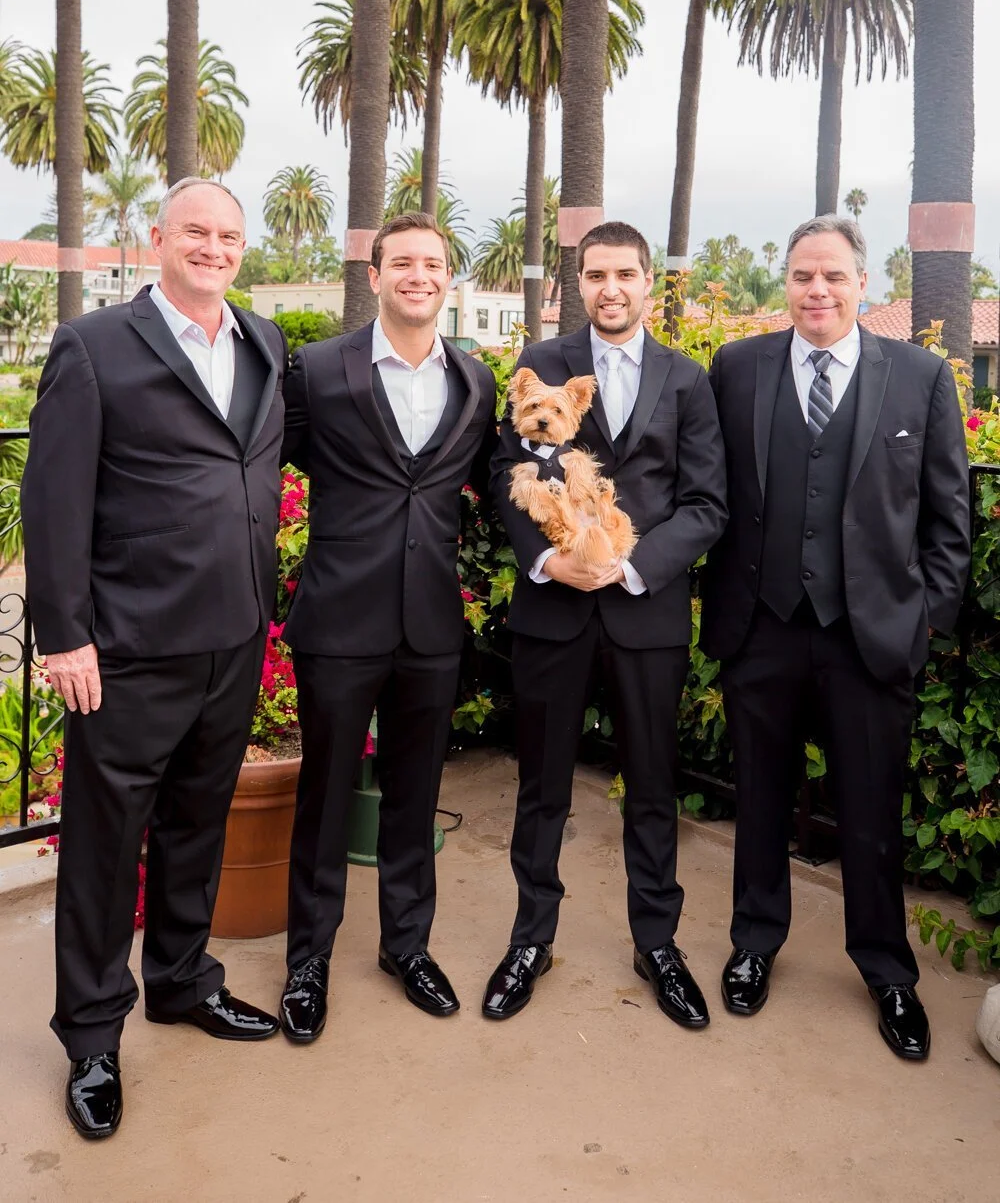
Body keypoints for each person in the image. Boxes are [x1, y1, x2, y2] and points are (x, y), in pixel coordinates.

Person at [21, 179, 288, 1141]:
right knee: (104, 845)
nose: (214, 248)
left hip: (235, 635)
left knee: (195, 825)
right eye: (196, 233)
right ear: (157, 239)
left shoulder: (263, 339)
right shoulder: (95, 348)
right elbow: (51, 500)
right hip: (128, 647)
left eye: (228, 235)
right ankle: (93, 1037)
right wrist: (64, 635)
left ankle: (181, 981)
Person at [701, 215, 970, 1061]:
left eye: (834, 277)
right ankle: (754, 943)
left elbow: (949, 516)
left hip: (871, 636)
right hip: (764, 627)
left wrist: (924, 618)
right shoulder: (737, 368)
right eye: (802, 276)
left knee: (870, 815)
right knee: (760, 802)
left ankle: (887, 970)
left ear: (863, 285)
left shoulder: (921, 377)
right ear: (784, 283)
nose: (817, 291)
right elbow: (710, 488)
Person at [483, 221, 727, 1025]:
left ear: (648, 282)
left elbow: (705, 504)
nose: (610, 288)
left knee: (654, 788)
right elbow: (499, 470)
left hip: (644, 610)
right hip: (552, 610)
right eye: (595, 275)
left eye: (625, 273)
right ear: (578, 283)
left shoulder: (687, 379)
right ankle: (530, 938)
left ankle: (657, 942)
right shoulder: (542, 366)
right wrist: (549, 561)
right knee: (541, 785)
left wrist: (629, 566)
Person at [277, 212, 497, 1042]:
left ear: (448, 279)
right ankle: (309, 962)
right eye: (400, 261)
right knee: (326, 798)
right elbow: (274, 456)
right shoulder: (319, 370)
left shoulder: (475, 382)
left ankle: (406, 947)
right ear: (374, 276)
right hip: (338, 618)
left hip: (432, 626)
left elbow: (488, 482)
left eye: (432, 263)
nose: (418, 274)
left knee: (416, 798)